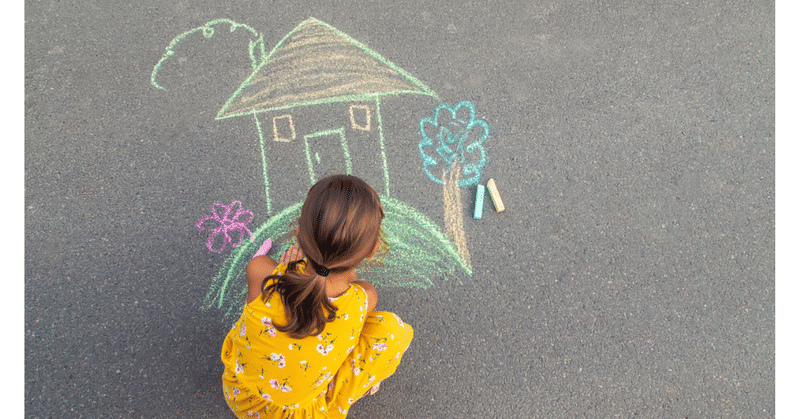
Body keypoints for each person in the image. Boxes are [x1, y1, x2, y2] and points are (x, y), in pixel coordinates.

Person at [221, 175, 414, 418]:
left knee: (260, 279)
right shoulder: (361, 300)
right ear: (373, 251)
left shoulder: (261, 274)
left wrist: (285, 274)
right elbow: (347, 289)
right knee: (392, 331)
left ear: (299, 232)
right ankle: (359, 385)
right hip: (304, 414)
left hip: (244, 400)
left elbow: (274, 303)